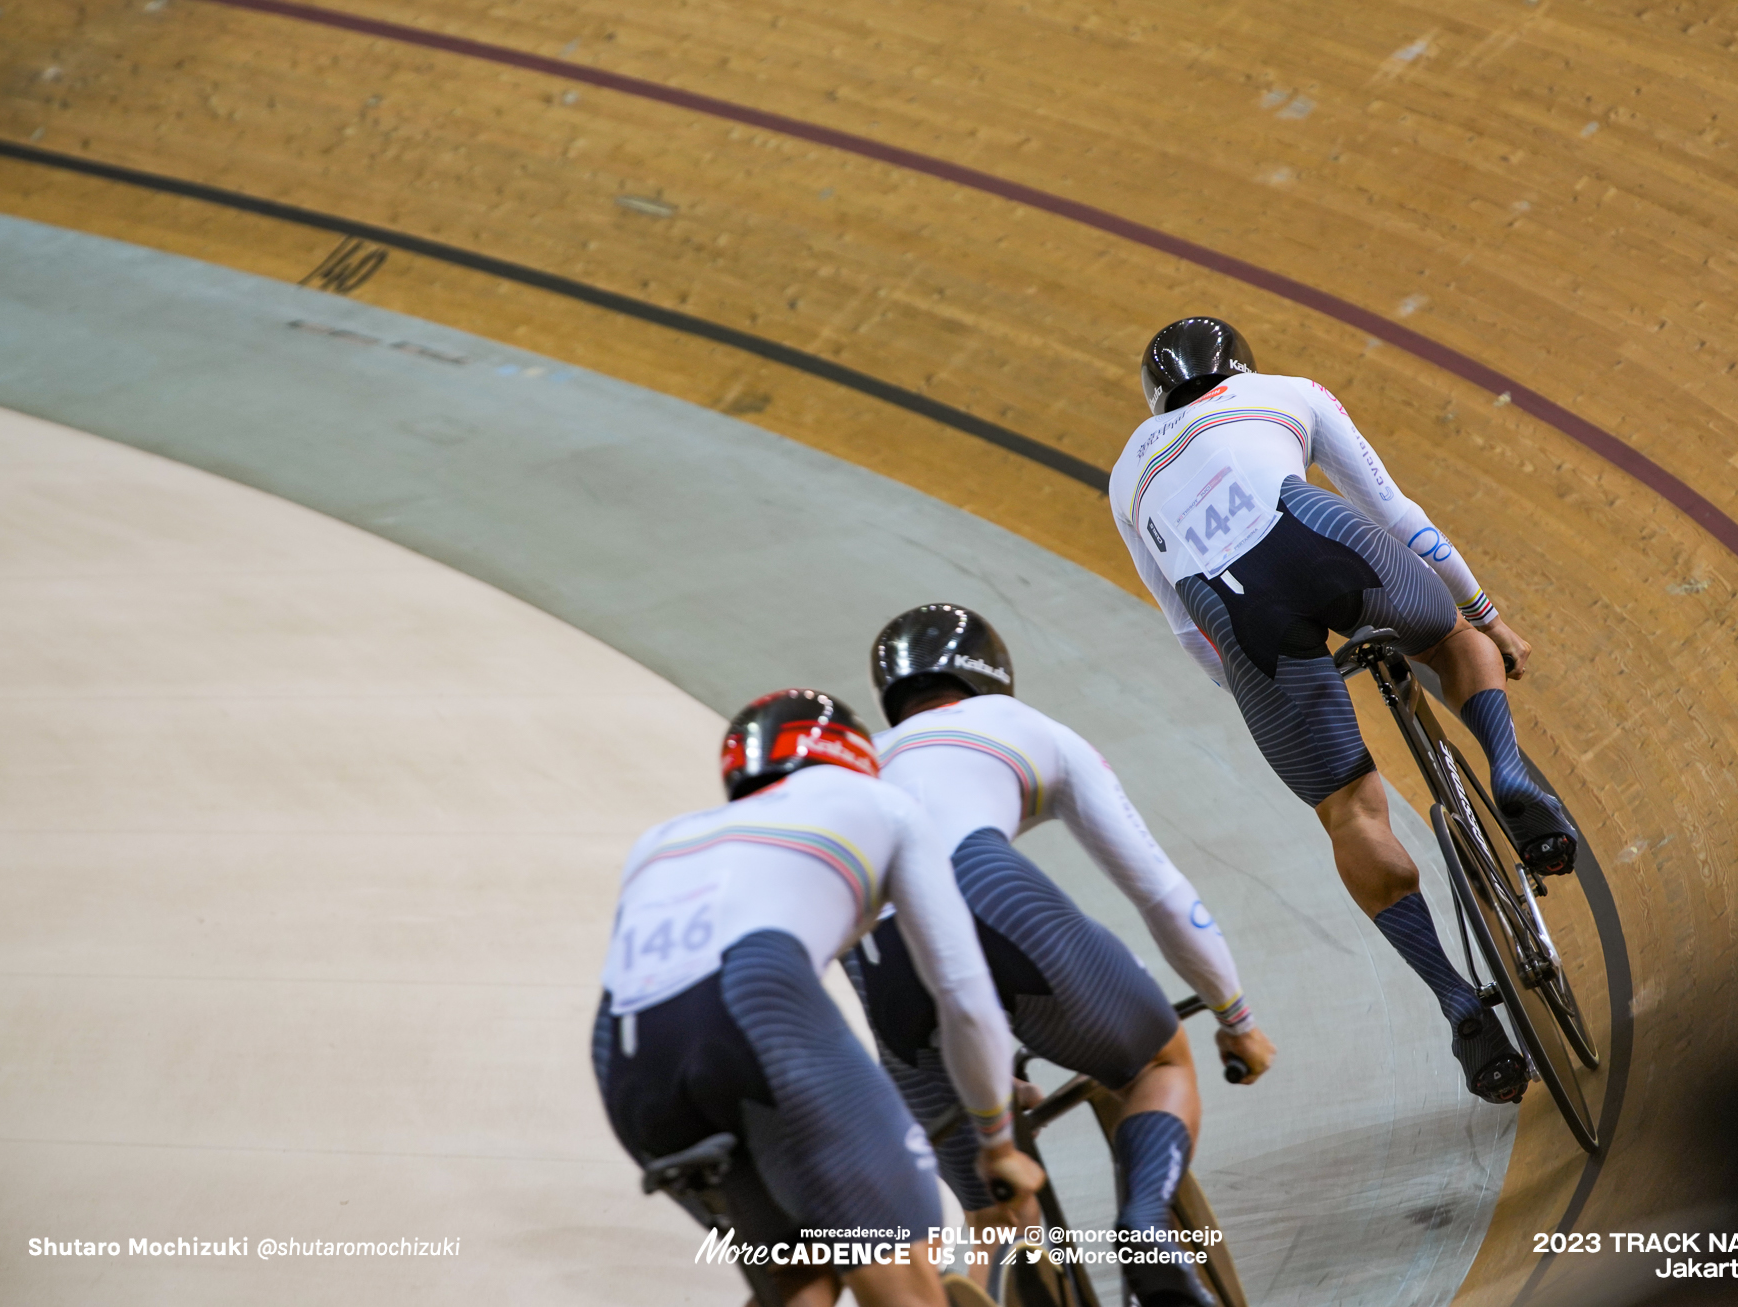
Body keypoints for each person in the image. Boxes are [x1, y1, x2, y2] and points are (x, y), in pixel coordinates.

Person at [1109, 316, 1581, 1107]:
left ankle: (1460, 1003)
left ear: (1155, 400)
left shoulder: (1127, 473)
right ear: (1240, 365)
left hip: (1241, 620)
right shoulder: (1287, 392)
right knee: (1456, 641)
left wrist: (1273, 701)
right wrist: (1485, 611)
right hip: (1323, 540)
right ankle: (1506, 769)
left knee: (1349, 812)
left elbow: (1187, 630)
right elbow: (1397, 513)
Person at [846, 604, 1277, 1307]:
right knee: (1158, 1062)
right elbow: (1161, 892)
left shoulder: (858, 766)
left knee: (996, 1185)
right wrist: (1237, 1015)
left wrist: (977, 1074)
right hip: (984, 889)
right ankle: (1146, 1228)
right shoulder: (1025, 726)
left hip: (882, 961)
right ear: (996, 675)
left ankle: (974, 1268)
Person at [592, 688, 1043, 1307]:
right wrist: (995, 1138)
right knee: (899, 1267)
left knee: (801, 1272)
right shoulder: (880, 803)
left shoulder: (659, 842)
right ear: (856, 755)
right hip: (756, 1017)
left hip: (627, 1068)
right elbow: (961, 994)